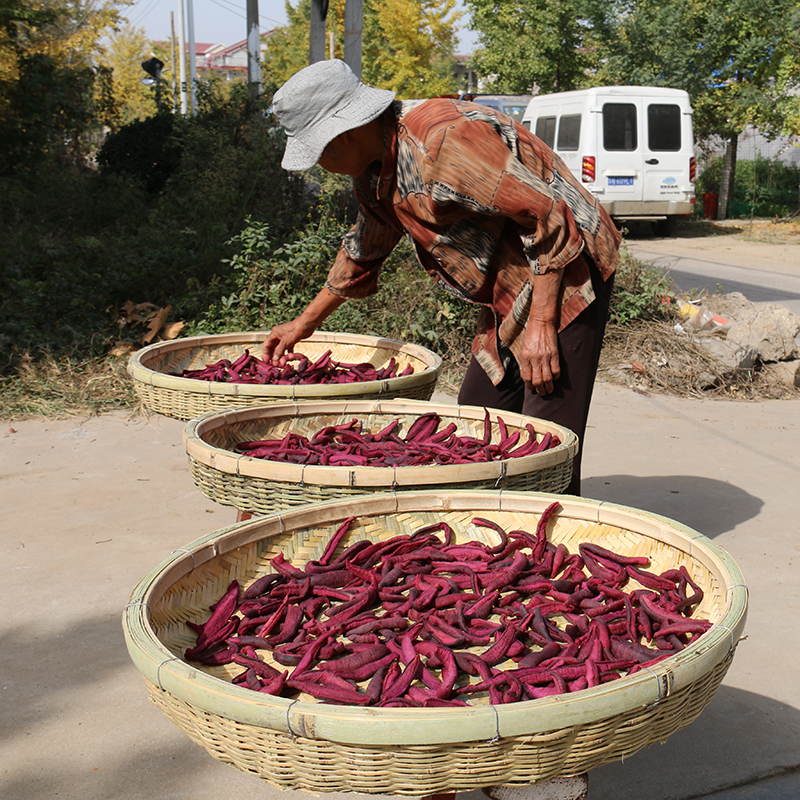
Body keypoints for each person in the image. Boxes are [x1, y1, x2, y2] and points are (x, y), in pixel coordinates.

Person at [264, 59, 622, 495]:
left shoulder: (446, 142)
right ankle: (499, 527)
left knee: (545, 433)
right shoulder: (375, 172)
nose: (321, 163)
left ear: (348, 130)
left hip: (566, 270)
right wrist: (305, 323)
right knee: (477, 419)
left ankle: (549, 540)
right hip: (510, 284)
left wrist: (543, 327)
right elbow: (365, 248)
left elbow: (547, 216)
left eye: (321, 151)